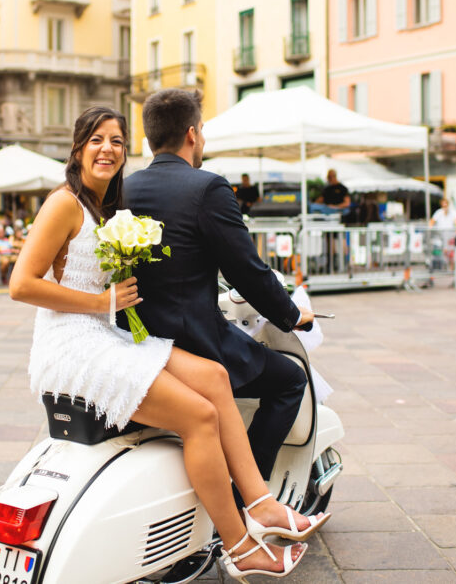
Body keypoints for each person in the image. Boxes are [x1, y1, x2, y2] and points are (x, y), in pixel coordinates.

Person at [10, 105, 323, 580]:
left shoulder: (107, 207)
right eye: (96, 140)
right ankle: (240, 547)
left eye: (116, 141)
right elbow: (21, 285)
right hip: (71, 347)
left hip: (107, 334)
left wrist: (124, 308)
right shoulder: (64, 203)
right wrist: (103, 303)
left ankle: (260, 503)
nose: (108, 149)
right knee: (200, 415)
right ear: (78, 148)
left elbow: (110, 284)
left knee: (215, 377)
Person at [124, 88, 315, 485]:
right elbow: (248, 270)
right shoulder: (207, 187)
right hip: (196, 342)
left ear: (149, 137)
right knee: (291, 380)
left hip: (137, 341)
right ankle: (251, 490)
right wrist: (292, 316)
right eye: (204, 131)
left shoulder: (124, 189)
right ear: (192, 134)